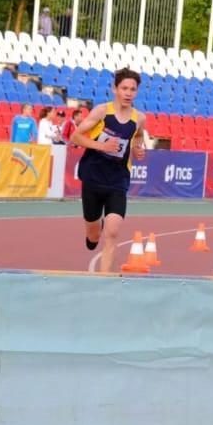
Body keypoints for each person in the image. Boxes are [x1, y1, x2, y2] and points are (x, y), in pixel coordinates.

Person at [71, 68, 146, 272]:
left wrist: (138, 148)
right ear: (115, 89)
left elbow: (139, 136)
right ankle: (93, 234)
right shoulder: (102, 111)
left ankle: (103, 280)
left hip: (117, 180)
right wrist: (101, 146)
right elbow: (75, 137)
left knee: (112, 232)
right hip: (93, 177)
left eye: (132, 89)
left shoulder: (139, 118)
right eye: (124, 88)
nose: (128, 93)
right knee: (94, 235)